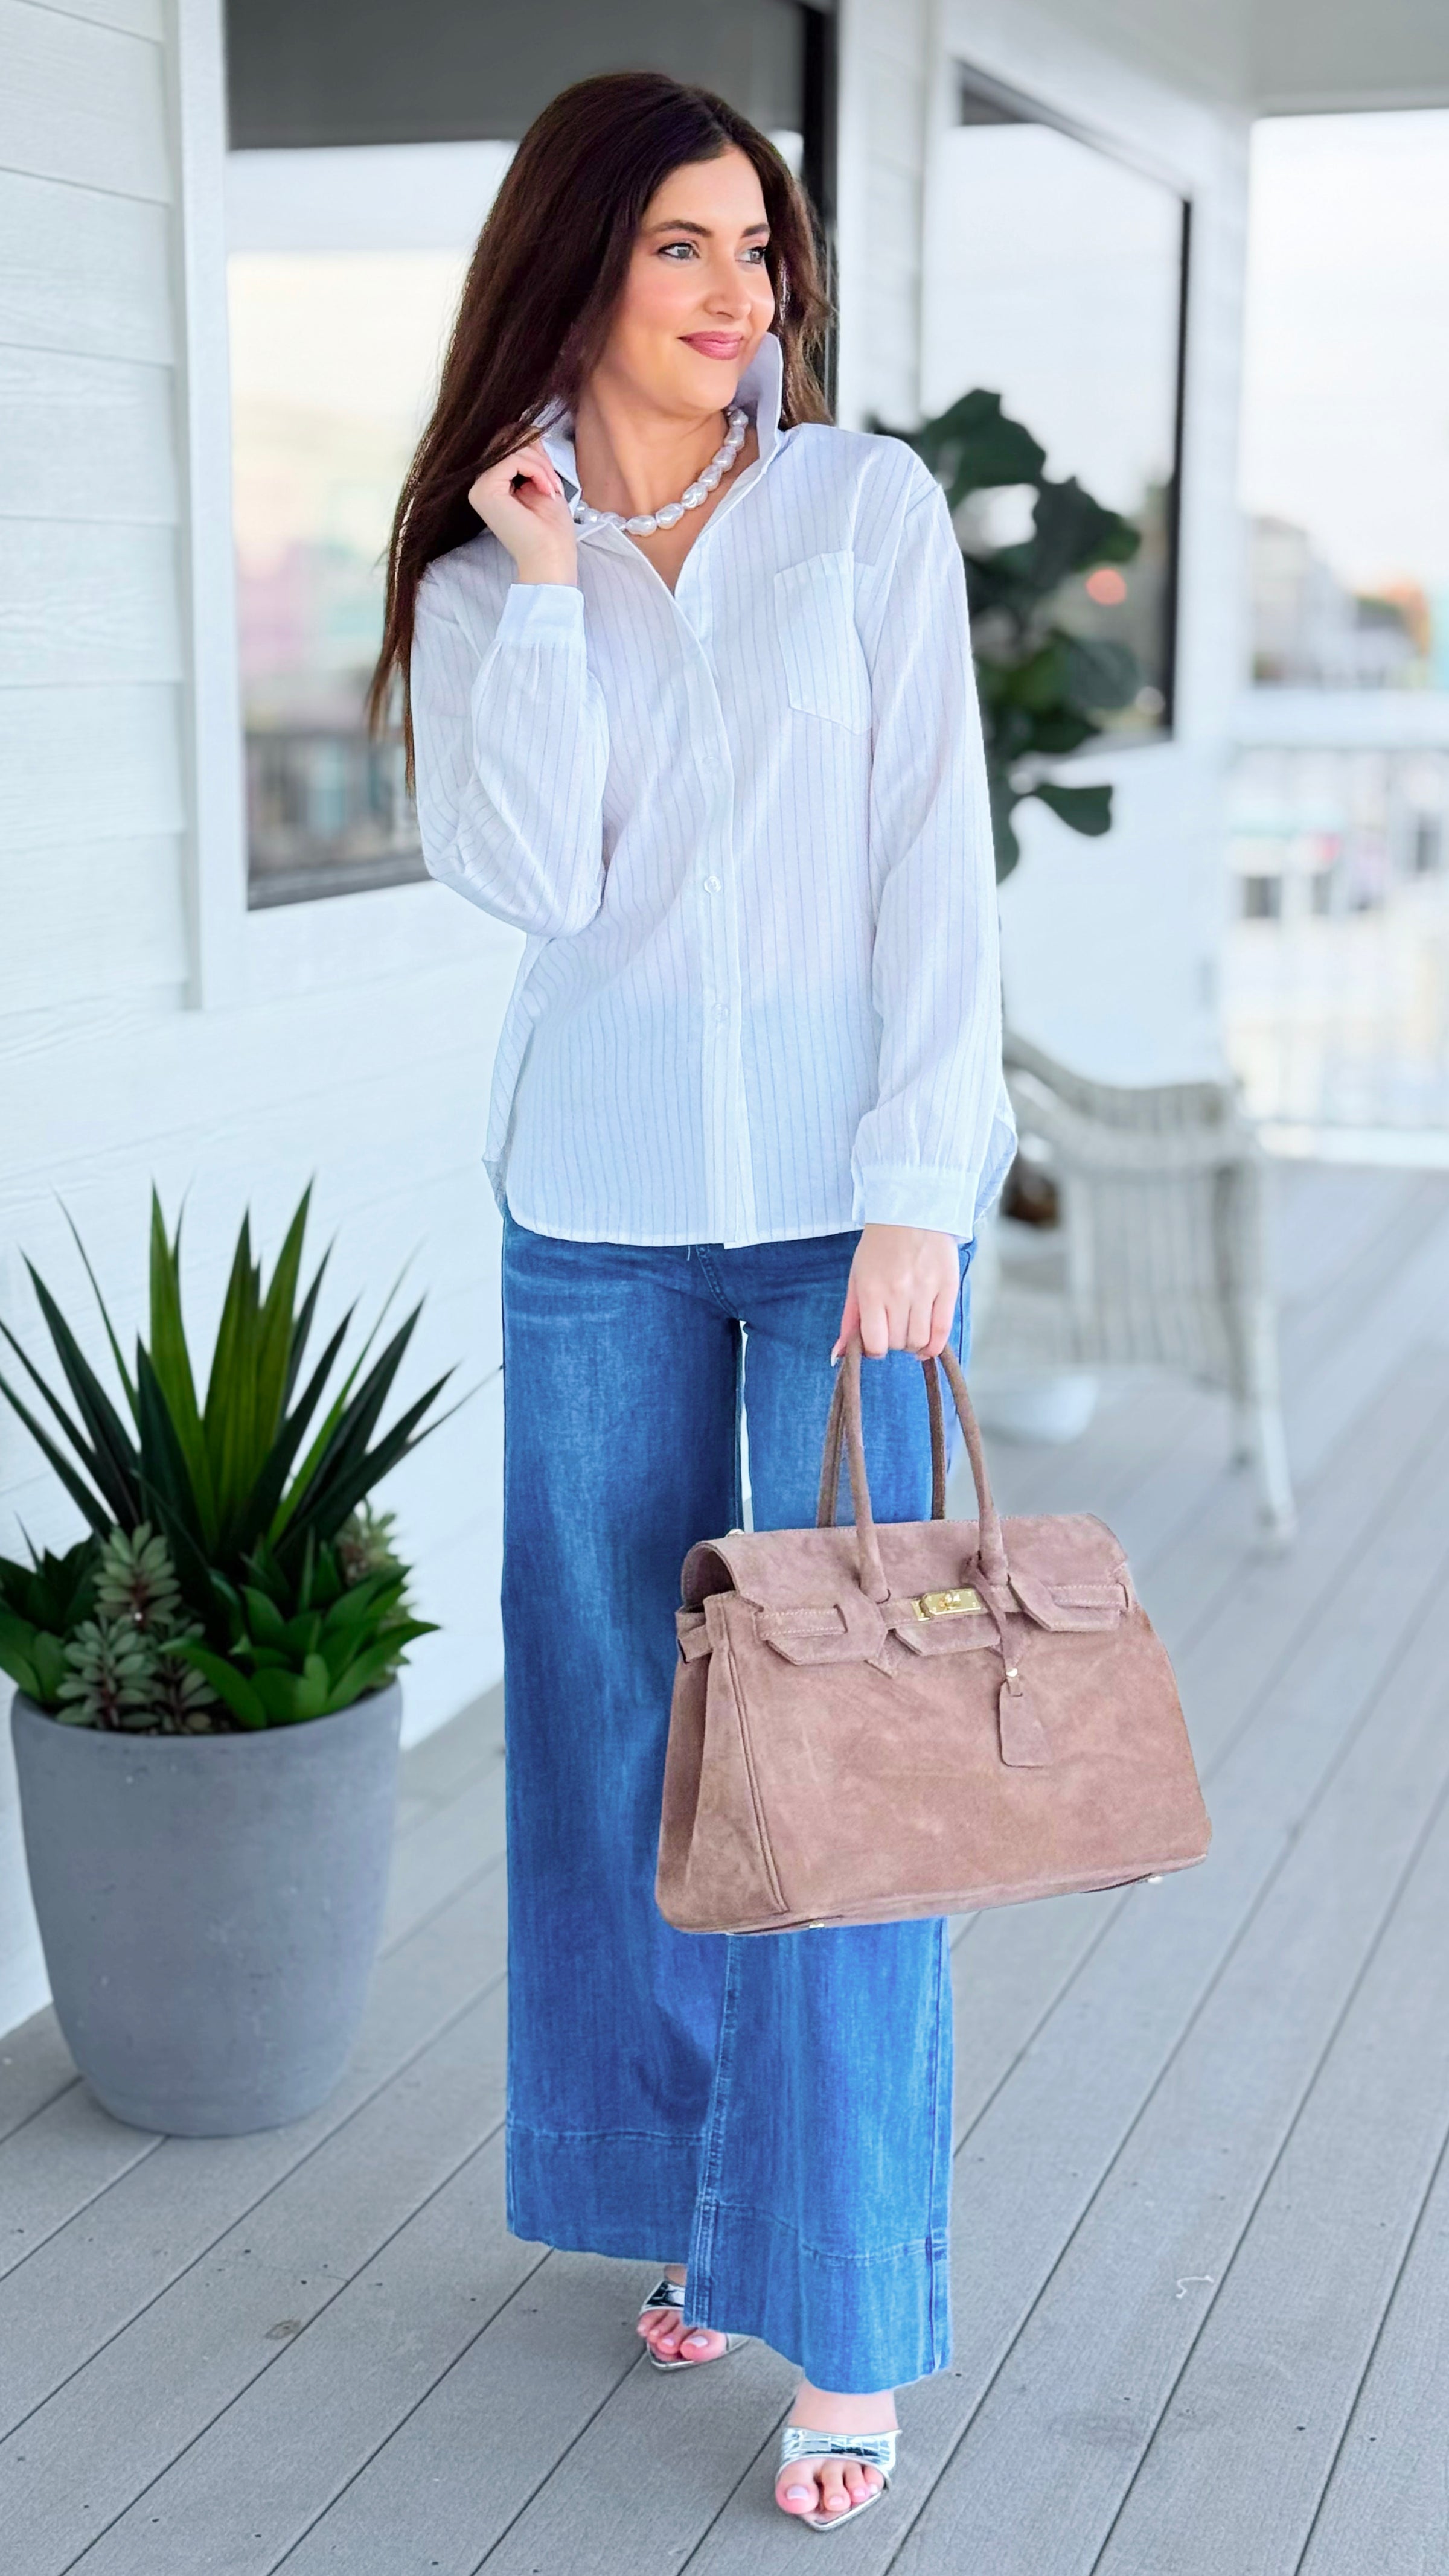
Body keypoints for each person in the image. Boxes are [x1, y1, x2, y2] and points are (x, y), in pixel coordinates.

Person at [371, 68, 1014, 2533]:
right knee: (634, 1733)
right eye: (685, 249)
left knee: (846, 1760)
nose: (745, 294)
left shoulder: (863, 515)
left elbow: (934, 868)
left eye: (762, 248)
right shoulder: (485, 568)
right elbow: (533, 884)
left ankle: (843, 2306)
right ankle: (702, 2199)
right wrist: (541, 591)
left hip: (850, 1216)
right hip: (598, 1211)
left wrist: (920, 1185)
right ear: (575, 272)